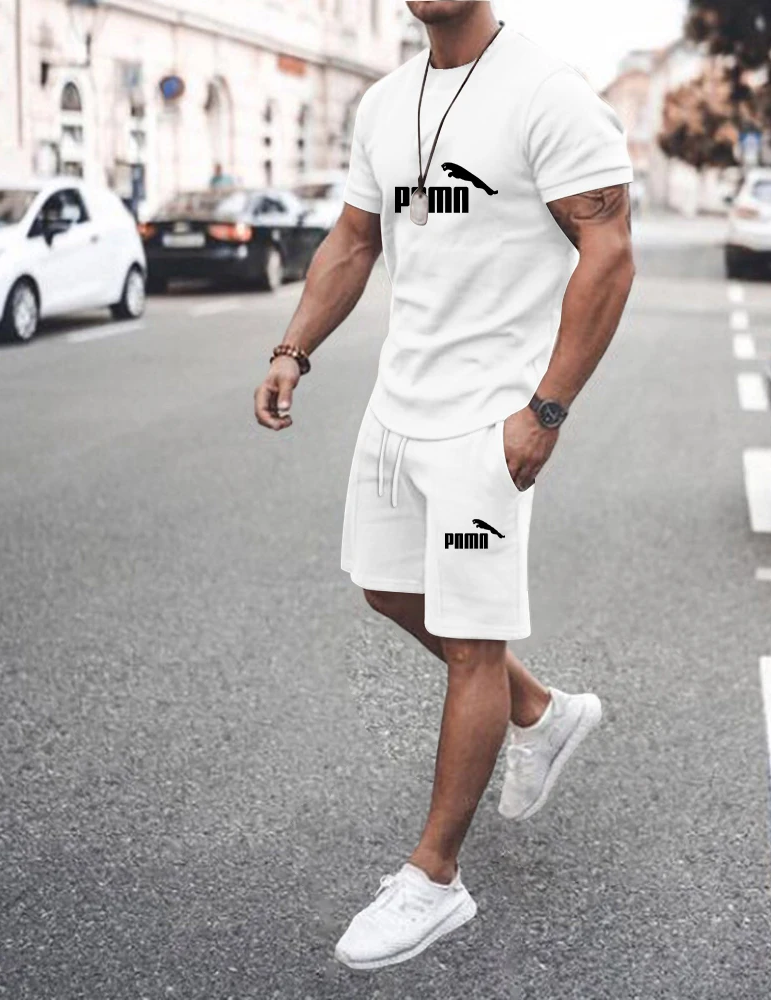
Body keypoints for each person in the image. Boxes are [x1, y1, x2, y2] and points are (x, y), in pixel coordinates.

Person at [254, 0, 634, 970]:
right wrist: (295, 348)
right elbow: (353, 241)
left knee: (472, 640)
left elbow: (609, 249)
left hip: (488, 420)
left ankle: (434, 878)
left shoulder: (546, 92)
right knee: (385, 588)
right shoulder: (385, 102)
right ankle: (539, 711)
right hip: (398, 407)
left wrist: (546, 408)